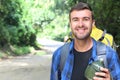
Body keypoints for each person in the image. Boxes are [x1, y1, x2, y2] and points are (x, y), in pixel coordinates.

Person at [50, 2, 120, 80]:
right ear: (70, 24)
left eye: (85, 19)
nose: (80, 24)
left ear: (93, 23)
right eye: (75, 20)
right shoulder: (59, 55)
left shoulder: (109, 55)